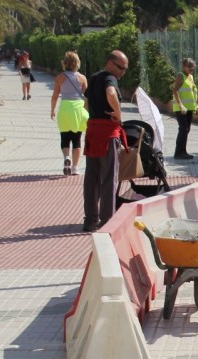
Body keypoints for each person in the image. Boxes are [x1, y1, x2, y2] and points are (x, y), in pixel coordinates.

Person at [82, 51, 130, 232]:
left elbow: (86, 103)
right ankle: (107, 221)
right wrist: (117, 114)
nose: (122, 73)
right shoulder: (110, 79)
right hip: (107, 135)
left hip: (92, 133)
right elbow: (111, 93)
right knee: (110, 178)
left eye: (125, 69)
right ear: (110, 63)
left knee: (91, 178)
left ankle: (90, 220)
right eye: (121, 68)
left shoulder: (93, 78)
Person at [51, 51, 90, 176]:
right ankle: (75, 167)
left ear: (65, 63)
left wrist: (52, 110)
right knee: (77, 139)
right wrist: (87, 111)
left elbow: (55, 96)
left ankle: (66, 157)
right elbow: (87, 97)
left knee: (65, 138)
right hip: (78, 109)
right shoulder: (82, 78)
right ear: (77, 63)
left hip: (64, 108)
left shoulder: (59, 78)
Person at [172, 57, 198, 160]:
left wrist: (195, 106)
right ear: (184, 66)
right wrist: (180, 105)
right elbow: (175, 90)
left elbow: (192, 92)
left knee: (186, 129)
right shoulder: (180, 75)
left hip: (190, 108)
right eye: (190, 67)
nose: (192, 69)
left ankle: (183, 151)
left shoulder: (190, 77)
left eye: (193, 67)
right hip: (181, 109)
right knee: (183, 129)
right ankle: (178, 152)